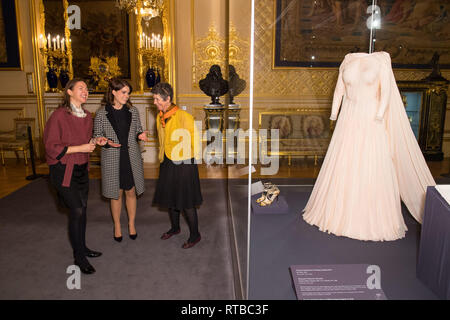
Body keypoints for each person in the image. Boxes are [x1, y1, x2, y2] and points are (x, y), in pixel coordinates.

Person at [302, 51, 435, 241]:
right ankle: (339, 214)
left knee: (369, 162)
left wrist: (380, 115)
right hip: (348, 119)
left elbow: (387, 92)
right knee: (345, 162)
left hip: (371, 118)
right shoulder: (347, 59)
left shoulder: (381, 60)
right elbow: (339, 90)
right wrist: (333, 113)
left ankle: (369, 217)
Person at [44, 78, 109, 274]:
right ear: (69, 92)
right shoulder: (58, 116)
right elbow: (51, 146)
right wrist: (82, 147)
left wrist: (97, 140)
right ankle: (79, 258)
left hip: (82, 169)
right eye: (81, 88)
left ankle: (83, 247)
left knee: (83, 210)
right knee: (77, 211)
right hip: (64, 170)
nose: (85, 91)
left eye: (87, 89)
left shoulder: (88, 115)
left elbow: (86, 140)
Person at [94, 78, 149, 242]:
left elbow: (138, 130)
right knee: (116, 194)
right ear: (113, 92)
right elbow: (97, 135)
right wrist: (104, 141)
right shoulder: (102, 113)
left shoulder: (133, 111)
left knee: (131, 191)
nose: (127, 96)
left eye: (128, 93)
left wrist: (141, 135)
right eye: (124, 92)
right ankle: (117, 225)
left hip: (131, 157)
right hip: (112, 157)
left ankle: (132, 224)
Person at [152, 82, 202, 249]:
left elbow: (196, 142)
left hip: (184, 164)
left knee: (186, 202)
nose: (154, 102)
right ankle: (175, 228)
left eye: (157, 99)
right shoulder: (160, 116)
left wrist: (187, 163)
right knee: (170, 198)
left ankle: (195, 235)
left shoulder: (184, 117)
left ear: (168, 99)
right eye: (154, 99)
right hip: (167, 161)